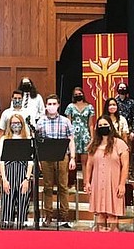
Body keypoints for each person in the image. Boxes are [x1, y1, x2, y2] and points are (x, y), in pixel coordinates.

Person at [84, 115, 130, 228]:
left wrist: (122, 184)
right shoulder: (93, 144)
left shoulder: (119, 144)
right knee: (100, 214)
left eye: (105, 125)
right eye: (100, 125)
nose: (103, 127)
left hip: (113, 184)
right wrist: (87, 182)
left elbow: (125, 166)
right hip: (98, 183)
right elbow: (89, 165)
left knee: (112, 215)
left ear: (110, 126)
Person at [36, 94, 76, 225]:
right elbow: (38, 142)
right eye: (49, 104)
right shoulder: (41, 121)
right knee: (47, 187)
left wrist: (73, 158)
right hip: (46, 158)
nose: (51, 106)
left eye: (54, 104)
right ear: (46, 106)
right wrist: (39, 160)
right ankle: (48, 215)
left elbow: (71, 140)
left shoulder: (65, 121)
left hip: (62, 157)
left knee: (63, 187)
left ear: (58, 105)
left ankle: (64, 215)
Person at [0, 114, 33, 229]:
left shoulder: (27, 139)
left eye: (18, 123)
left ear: (22, 124)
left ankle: (21, 230)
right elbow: (1, 161)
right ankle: (6, 229)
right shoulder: (4, 139)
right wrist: (4, 180)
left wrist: (27, 179)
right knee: (7, 204)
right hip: (8, 174)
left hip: (23, 174)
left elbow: (30, 161)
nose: (15, 125)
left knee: (23, 203)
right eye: (13, 123)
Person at [64, 87, 94, 187]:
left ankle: (86, 183)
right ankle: (71, 183)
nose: (78, 95)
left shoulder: (89, 107)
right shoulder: (70, 107)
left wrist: (92, 137)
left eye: (79, 93)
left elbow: (90, 123)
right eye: (76, 94)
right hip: (74, 136)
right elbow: (68, 122)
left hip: (85, 136)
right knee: (73, 160)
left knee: (85, 161)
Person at [115, 83, 134, 147]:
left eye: (124, 88)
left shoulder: (131, 102)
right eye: (120, 88)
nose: (122, 89)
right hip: (117, 128)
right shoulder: (115, 102)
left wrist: (133, 132)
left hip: (128, 129)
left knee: (128, 148)